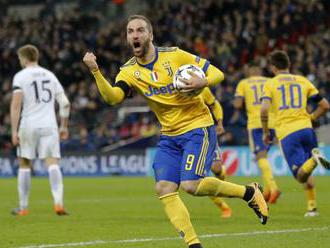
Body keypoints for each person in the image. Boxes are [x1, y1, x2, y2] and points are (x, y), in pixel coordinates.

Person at [83, 15, 268, 248]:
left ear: (150, 35)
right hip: (169, 135)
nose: (135, 35)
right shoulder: (128, 71)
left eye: (140, 30)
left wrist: (203, 82)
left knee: (191, 185)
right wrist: (96, 72)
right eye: (130, 32)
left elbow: (218, 73)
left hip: (197, 127)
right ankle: (193, 244)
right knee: (164, 187)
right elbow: (113, 98)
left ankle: (249, 193)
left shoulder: (175, 55)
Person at [260, 50, 330, 217]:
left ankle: (314, 159)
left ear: (273, 67)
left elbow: (263, 110)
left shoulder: (271, 83)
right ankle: (312, 208)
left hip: (288, 132)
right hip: (307, 129)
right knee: (306, 171)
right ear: (289, 64)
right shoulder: (303, 80)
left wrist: (265, 132)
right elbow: (325, 105)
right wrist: (311, 117)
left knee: (300, 175)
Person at [10, 44, 70, 216]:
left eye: (20, 58)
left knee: (24, 164)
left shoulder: (20, 76)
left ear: (24, 58)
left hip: (28, 125)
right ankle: (58, 203)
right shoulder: (50, 75)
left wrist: (14, 131)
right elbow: (65, 102)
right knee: (52, 163)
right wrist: (64, 126)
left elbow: (16, 105)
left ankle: (23, 207)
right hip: (50, 125)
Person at [234, 64, 281, 203]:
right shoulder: (269, 81)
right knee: (264, 156)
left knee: (260, 156)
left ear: (249, 71)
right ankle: (267, 191)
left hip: (255, 123)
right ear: (260, 71)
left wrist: (244, 105)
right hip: (272, 122)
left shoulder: (243, 83)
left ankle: (273, 188)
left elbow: (237, 104)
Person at [200, 87, 232, 218]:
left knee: (217, 168)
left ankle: (222, 180)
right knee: (200, 177)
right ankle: (223, 207)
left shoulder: (202, 88)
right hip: (186, 136)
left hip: (206, 132)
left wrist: (219, 122)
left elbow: (215, 104)